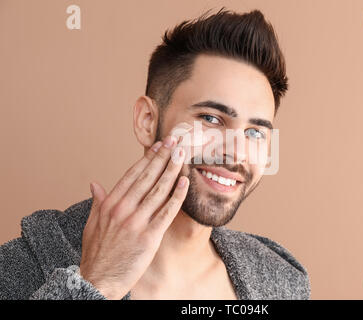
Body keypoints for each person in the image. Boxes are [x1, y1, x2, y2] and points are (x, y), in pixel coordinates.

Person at [0, 7, 310, 300]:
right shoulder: (21, 266)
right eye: (211, 118)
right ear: (147, 121)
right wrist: (95, 283)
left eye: (255, 132)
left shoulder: (281, 281)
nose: (235, 154)